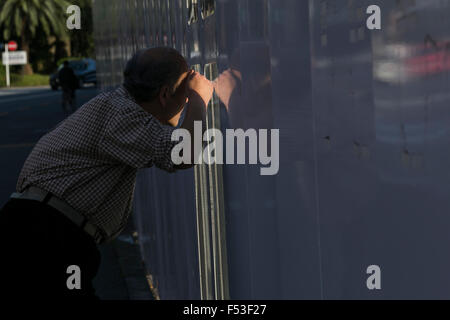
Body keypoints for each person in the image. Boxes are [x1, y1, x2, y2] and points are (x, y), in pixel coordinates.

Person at [0, 47, 213, 299]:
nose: (186, 102)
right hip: (47, 238)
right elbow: (183, 154)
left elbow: (163, 134)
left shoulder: (116, 107)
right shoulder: (122, 115)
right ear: (164, 94)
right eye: (183, 95)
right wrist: (200, 99)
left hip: (39, 231)